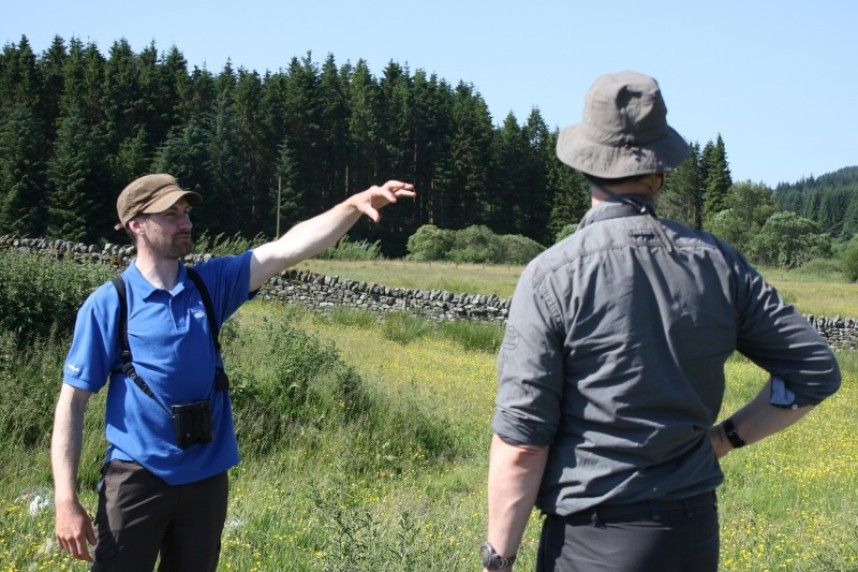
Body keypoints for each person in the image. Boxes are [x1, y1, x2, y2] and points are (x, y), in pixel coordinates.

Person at [481, 71, 841, 572]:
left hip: (592, 543)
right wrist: (724, 438)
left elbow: (522, 444)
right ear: (660, 171)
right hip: (691, 536)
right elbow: (814, 371)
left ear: (585, 163)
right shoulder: (717, 263)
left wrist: (497, 560)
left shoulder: (552, 276)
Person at [51, 173, 415, 570]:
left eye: (186, 212)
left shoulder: (210, 285)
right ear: (137, 224)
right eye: (171, 215)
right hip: (137, 476)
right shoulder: (109, 304)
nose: (186, 223)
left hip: (206, 478)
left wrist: (353, 205)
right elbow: (72, 403)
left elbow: (288, 249)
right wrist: (66, 500)